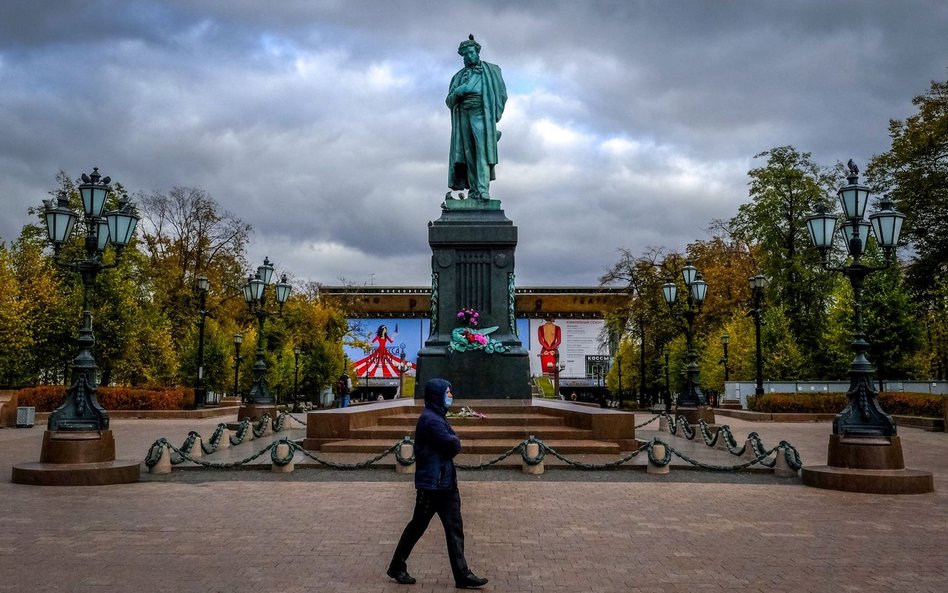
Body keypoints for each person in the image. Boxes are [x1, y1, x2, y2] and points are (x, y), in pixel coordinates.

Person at [387, 378, 488, 589]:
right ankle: (397, 566)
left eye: (450, 392)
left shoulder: (436, 416)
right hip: (433, 485)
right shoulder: (431, 420)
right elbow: (452, 444)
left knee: (454, 528)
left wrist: (452, 439)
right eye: (447, 392)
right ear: (437, 394)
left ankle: (462, 575)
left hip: (444, 482)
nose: (451, 395)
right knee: (418, 526)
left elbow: (450, 442)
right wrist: (454, 439)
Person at [446, 34, 507, 201]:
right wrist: (458, 92)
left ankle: (483, 189)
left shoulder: (491, 71)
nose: (468, 56)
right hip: (464, 114)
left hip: (482, 113)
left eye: (471, 52)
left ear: (477, 52)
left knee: (482, 151)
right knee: (468, 154)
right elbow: (449, 102)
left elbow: (502, 94)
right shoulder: (458, 77)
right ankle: (474, 191)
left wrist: (494, 116)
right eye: (465, 54)